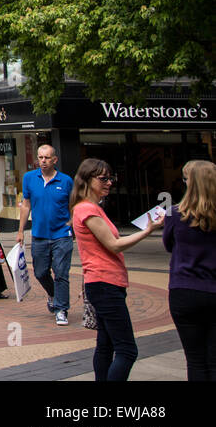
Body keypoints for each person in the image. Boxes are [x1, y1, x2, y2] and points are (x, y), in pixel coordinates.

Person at [70, 157, 163, 381]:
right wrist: (148, 230)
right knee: (127, 350)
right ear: (86, 179)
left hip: (104, 283)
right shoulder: (86, 209)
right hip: (104, 284)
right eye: (103, 178)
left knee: (106, 344)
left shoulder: (92, 208)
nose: (109, 183)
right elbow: (114, 244)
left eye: (111, 178)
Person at [164, 159, 216, 380]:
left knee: (195, 360)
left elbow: (168, 245)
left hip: (183, 291)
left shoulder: (174, 213)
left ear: (189, 183)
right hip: (213, 291)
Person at [16, 144, 75, 325]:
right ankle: (53, 295)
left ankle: (61, 309)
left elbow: (73, 206)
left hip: (62, 235)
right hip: (39, 235)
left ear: (54, 160)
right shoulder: (29, 178)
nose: (43, 161)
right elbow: (26, 205)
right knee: (41, 272)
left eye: (47, 158)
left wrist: (72, 225)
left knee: (61, 273)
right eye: (40, 157)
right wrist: (20, 231)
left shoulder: (66, 181)